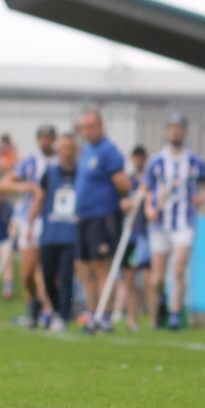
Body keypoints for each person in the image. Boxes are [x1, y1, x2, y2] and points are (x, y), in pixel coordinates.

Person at [142, 115, 205, 330]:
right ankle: (160, 303)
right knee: (157, 278)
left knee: (179, 269)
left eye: (179, 128)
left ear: (185, 131)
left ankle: (174, 315)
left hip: (184, 221)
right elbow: (146, 190)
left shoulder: (195, 161)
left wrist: (202, 198)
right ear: (166, 131)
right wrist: (149, 208)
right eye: (171, 128)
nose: (175, 132)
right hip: (159, 224)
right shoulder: (155, 161)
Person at [74, 110, 131, 330]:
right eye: (84, 127)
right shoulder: (87, 150)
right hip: (85, 216)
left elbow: (122, 183)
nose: (88, 131)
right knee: (84, 266)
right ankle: (92, 312)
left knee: (102, 266)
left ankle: (105, 315)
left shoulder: (108, 151)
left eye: (92, 126)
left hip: (102, 215)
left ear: (101, 126)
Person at [0, 125, 57, 329]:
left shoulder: (59, 162)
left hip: (52, 219)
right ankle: (33, 304)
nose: (46, 141)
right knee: (27, 272)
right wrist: (27, 187)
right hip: (30, 220)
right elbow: (3, 183)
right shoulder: (30, 162)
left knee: (48, 270)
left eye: (49, 137)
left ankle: (49, 310)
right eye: (43, 137)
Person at [28, 134, 80, 328]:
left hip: (71, 234)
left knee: (66, 277)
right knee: (47, 276)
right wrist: (30, 223)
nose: (67, 152)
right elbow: (39, 198)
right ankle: (57, 309)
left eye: (70, 148)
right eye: (63, 148)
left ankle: (64, 316)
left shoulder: (81, 172)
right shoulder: (49, 173)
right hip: (50, 233)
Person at [119, 146, 150, 331]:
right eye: (135, 157)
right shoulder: (128, 182)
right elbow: (122, 205)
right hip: (129, 237)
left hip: (146, 236)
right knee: (129, 279)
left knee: (149, 279)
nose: (138, 160)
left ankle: (153, 318)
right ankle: (132, 319)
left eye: (141, 157)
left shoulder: (150, 181)